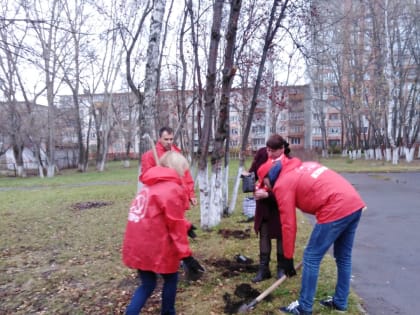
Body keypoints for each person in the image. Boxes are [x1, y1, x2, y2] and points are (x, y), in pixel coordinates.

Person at [272, 155, 366, 315]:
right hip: (354, 202)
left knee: (311, 257)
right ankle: (340, 302)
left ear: (273, 179)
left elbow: (288, 224)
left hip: (335, 206)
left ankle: (304, 307)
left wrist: (287, 258)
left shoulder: (282, 183)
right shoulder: (305, 165)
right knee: (344, 257)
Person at [122, 151, 204, 315]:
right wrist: (187, 256)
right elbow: (174, 224)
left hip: (137, 244)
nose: (183, 172)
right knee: (171, 278)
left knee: (147, 284)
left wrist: (186, 225)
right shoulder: (172, 188)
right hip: (155, 244)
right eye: (183, 168)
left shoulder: (148, 186)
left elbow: (157, 215)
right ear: (176, 167)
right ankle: (168, 312)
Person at [243, 134, 289, 283]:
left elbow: (287, 189)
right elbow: (254, 173)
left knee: (281, 235)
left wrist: (268, 195)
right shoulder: (262, 153)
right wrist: (248, 177)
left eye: (272, 151)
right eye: (268, 149)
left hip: (279, 203)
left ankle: (281, 268)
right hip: (263, 204)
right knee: (264, 234)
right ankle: (264, 269)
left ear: (282, 149)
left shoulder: (288, 161)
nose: (269, 154)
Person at [140, 127, 197, 206]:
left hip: (178, 196)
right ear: (160, 138)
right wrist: (158, 174)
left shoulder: (176, 153)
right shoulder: (150, 156)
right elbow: (146, 177)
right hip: (161, 198)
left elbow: (186, 174)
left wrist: (191, 194)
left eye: (171, 139)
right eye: (166, 139)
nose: (169, 142)